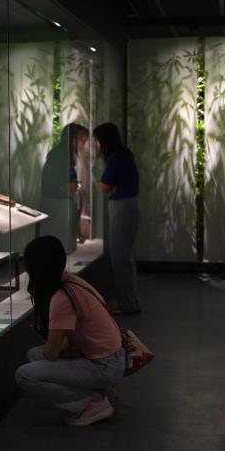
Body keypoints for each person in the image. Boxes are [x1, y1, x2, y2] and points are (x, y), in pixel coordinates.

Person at [15, 235, 125, 426]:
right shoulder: (73, 282)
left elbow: (51, 353)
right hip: (112, 357)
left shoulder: (61, 298)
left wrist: (57, 344)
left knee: (24, 375)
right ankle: (100, 391)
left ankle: (90, 405)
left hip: (105, 365)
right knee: (34, 354)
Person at [94, 122, 140, 315]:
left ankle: (127, 304)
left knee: (120, 257)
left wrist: (110, 187)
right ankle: (131, 301)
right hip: (130, 206)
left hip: (121, 207)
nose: (95, 144)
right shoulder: (125, 155)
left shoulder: (114, 158)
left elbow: (103, 186)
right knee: (125, 256)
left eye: (97, 140)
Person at [40, 123, 89, 254]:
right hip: (58, 206)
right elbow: (68, 186)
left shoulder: (61, 156)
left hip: (60, 205)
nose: (84, 145)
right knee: (59, 248)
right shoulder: (60, 158)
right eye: (82, 140)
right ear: (72, 139)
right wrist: (77, 186)